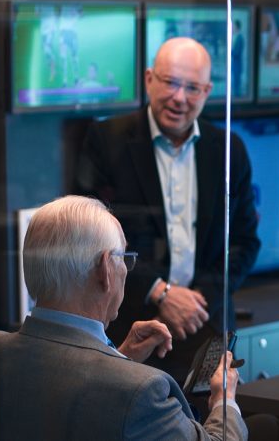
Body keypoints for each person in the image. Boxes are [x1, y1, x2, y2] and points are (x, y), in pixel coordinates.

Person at [0, 195, 247, 441]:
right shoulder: (141, 393)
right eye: (125, 258)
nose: (126, 269)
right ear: (105, 269)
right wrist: (224, 398)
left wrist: (119, 357)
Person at [75, 37, 260, 383]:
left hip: (207, 330)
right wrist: (160, 292)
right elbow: (89, 239)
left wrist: (194, 302)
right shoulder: (106, 140)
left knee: (212, 430)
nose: (179, 97)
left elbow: (245, 243)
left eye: (192, 87)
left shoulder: (229, 149)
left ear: (207, 91)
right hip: (131, 331)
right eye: (171, 82)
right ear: (149, 79)